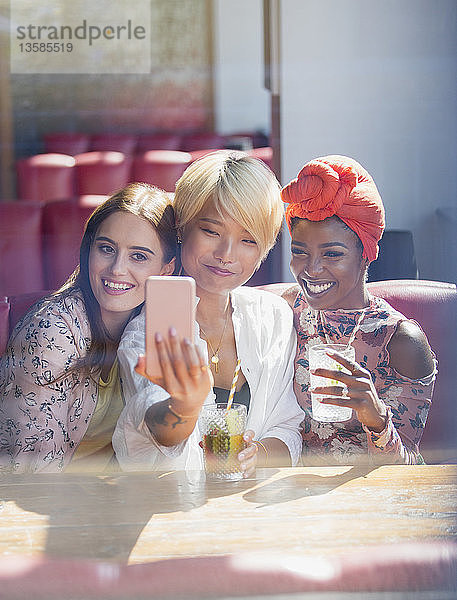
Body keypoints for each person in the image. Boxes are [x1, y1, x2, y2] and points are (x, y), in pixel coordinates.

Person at [113, 151, 304, 476]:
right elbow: (154, 433)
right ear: (183, 228)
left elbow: (288, 426)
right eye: (212, 231)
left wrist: (257, 455)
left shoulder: (275, 318)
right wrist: (185, 404)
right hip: (173, 511)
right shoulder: (146, 331)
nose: (226, 255)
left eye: (247, 239)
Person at [0, 183, 177, 473]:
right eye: (106, 249)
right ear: (88, 251)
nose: (117, 269)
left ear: (166, 269)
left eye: (139, 256)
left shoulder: (157, 325)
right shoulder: (52, 332)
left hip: (114, 498)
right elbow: (32, 476)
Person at [281, 155, 436, 465]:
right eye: (300, 252)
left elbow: (409, 473)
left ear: (365, 254)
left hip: (367, 503)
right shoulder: (287, 310)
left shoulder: (400, 340)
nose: (311, 270)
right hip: (290, 498)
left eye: (332, 254)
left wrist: (378, 422)